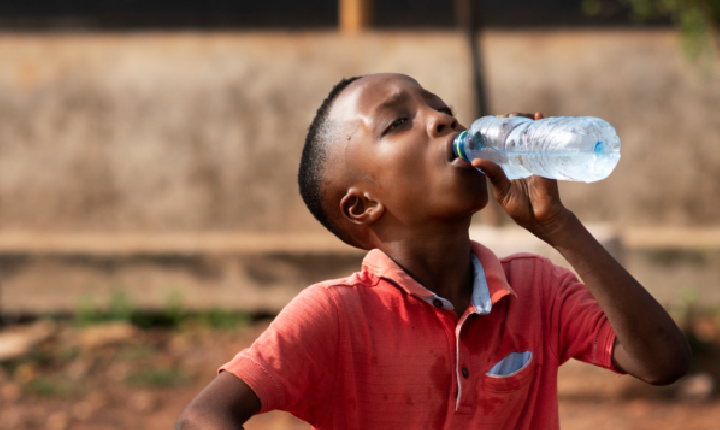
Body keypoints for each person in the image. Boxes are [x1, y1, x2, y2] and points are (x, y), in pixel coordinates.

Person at [176, 73, 691, 429]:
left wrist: (558, 226)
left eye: (442, 109)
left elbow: (663, 361)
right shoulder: (335, 315)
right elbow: (202, 416)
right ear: (361, 205)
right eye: (398, 122)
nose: (443, 120)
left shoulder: (535, 289)